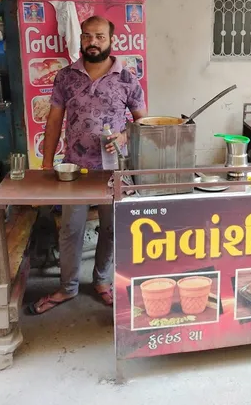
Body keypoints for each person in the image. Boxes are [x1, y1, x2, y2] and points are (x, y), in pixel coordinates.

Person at [28, 16, 146, 314]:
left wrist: (122, 135)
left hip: (114, 171)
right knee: (70, 229)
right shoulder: (66, 76)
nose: (93, 42)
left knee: (111, 229)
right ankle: (67, 287)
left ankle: (102, 282)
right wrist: (46, 166)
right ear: (81, 39)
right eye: (87, 36)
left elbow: (143, 123)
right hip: (74, 170)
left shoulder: (127, 79)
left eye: (99, 37)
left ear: (111, 40)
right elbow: (54, 121)